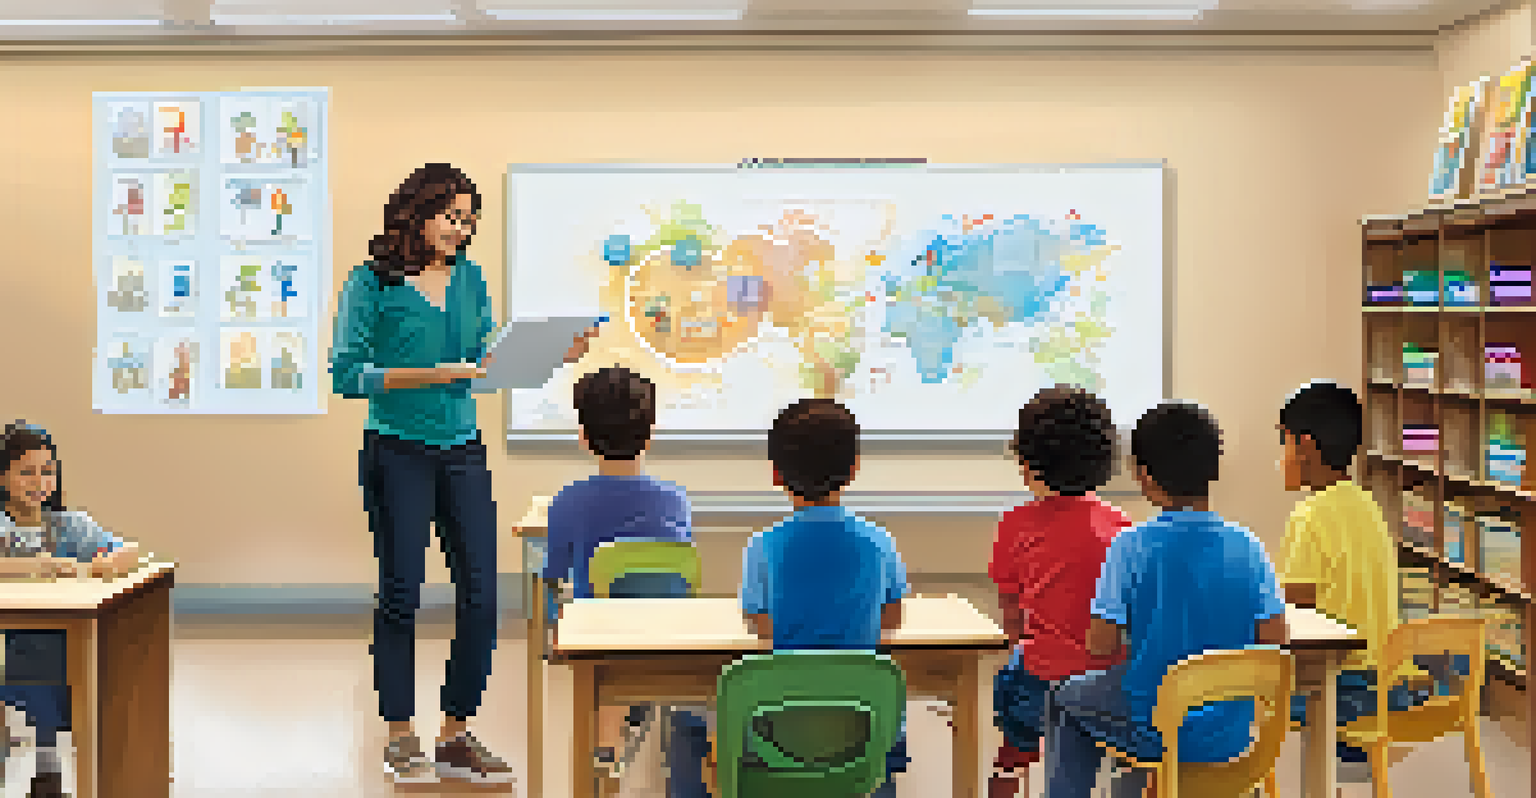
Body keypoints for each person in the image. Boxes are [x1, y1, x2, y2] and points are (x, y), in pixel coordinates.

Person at [329, 163, 593, 784]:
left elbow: (482, 361)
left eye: (470, 219)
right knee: (401, 593)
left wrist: (551, 353)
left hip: (462, 447)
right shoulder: (369, 284)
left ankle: (456, 732)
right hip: (397, 449)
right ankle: (400, 734)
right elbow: (348, 376)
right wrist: (437, 373)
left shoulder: (471, 279)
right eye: (453, 217)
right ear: (415, 214)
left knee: (483, 595)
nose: (462, 230)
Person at [1045, 402, 1289, 798]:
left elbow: (1100, 643)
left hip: (1156, 729)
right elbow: (1275, 637)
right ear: (1214, 470)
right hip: (1231, 735)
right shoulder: (1249, 546)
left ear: (1144, 475)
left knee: (1065, 697)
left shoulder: (1130, 546)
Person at [729, 399, 910, 797]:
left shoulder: (763, 546)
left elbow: (760, 625)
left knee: (693, 726)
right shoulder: (878, 542)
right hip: (865, 727)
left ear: (777, 474)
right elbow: (892, 619)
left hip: (781, 730)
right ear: (854, 468)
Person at [541, 366, 708, 798]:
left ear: (584, 435)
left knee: (598, 632)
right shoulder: (676, 499)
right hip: (669, 638)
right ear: (649, 434)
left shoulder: (568, 501)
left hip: (602, 644)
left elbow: (554, 577)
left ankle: (603, 761)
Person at [1278, 381, 1438, 781]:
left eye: (1282, 444)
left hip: (1347, 693)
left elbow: (1293, 616)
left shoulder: (1309, 516)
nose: (1280, 458)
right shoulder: (1368, 505)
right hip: (1394, 686)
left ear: (1305, 446)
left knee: (1241, 697)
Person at [988, 386, 1130, 798]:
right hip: (1107, 680)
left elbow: (1013, 616)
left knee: (1013, 680)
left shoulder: (1015, 524)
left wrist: (1026, 645)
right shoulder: (1119, 525)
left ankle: (1009, 767)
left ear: (1029, 462)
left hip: (1042, 680)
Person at [0, 421, 143, 798]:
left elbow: (127, 550)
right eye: (26, 471)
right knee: (25, 666)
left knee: (69, 664)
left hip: (60, 646)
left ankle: (49, 769)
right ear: (4, 477)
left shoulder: (69, 527)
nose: (38, 481)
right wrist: (38, 565)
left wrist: (108, 564)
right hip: (9, 645)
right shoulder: (2, 527)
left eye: (47, 471)